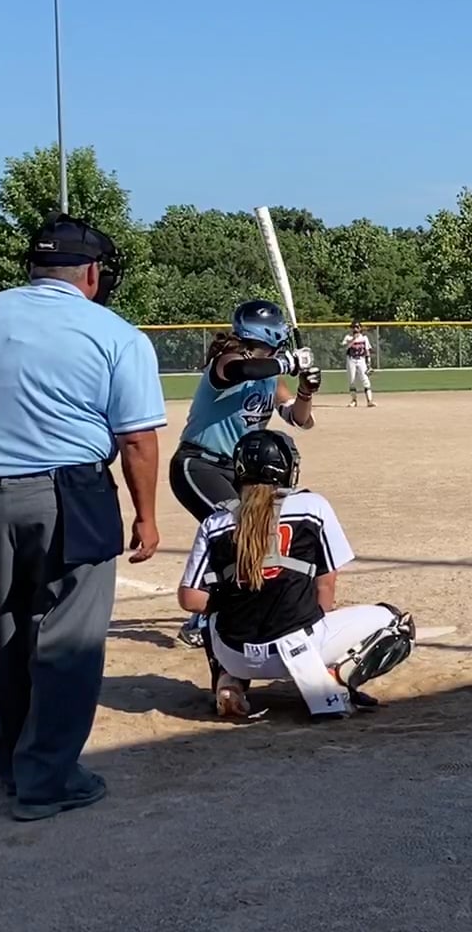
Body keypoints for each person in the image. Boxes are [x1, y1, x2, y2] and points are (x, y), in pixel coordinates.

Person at [0, 218, 166, 821]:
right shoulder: (114, 333)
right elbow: (136, 439)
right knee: (69, 638)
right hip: (71, 493)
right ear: (91, 274)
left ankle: (15, 771)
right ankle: (49, 779)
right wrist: (146, 516)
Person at [177, 429, 414, 719]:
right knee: (397, 624)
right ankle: (335, 676)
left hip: (235, 656)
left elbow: (190, 599)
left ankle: (229, 682)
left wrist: (232, 602)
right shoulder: (312, 506)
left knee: (214, 614)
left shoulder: (216, 522)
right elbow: (325, 587)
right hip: (299, 645)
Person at [169, 300, 319, 648]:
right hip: (199, 465)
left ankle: (245, 606)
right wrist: (290, 362)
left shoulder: (271, 380)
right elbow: (245, 370)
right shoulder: (227, 362)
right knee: (235, 531)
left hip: (238, 473)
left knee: (257, 533)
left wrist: (306, 391)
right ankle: (201, 619)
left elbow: (301, 419)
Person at [343, 320, 376, 407]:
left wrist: (369, 363)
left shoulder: (364, 338)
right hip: (351, 360)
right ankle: (354, 400)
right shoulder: (348, 337)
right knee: (352, 380)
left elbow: (367, 350)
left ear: (360, 328)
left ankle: (369, 401)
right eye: (353, 327)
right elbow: (346, 347)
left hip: (361, 360)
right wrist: (353, 339)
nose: (355, 329)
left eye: (357, 327)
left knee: (365, 379)